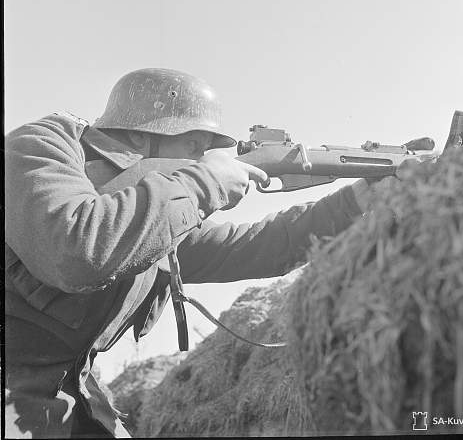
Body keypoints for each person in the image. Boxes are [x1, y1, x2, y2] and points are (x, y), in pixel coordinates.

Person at [5, 68, 375, 438]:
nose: (203, 158)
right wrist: (205, 182)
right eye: (194, 146)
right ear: (143, 134)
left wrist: (355, 202)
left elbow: (259, 245)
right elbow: (78, 251)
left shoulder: (157, 222)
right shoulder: (42, 145)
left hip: (73, 392)